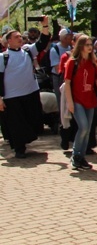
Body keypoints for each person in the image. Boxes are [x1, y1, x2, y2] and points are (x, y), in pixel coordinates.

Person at [0, 18, 51, 158]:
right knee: (16, 124)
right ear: (8, 41)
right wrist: (0, 98)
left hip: (30, 92)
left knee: (33, 119)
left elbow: (43, 42)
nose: (20, 39)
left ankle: (26, 141)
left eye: (20, 37)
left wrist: (45, 25)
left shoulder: (28, 50)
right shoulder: (2, 57)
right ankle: (19, 149)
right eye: (16, 37)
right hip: (12, 96)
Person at [63, 34, 97, 170]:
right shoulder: (72, 62)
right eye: (87, 45)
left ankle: (81, 157)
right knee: (82, 127)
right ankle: (76, 155)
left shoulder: (94, 62)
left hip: (90, 99)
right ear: (81, 46)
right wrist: (69, 102)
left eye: (91, 44)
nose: (90, 47)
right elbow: (67, 82)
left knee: (87, 130)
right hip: (77, 100)